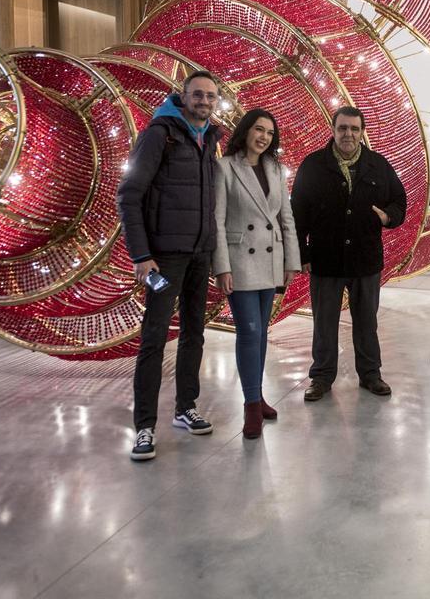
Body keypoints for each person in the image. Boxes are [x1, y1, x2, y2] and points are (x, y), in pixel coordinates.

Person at [117, 70, 222, 461]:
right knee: (154, 339)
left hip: (199, 255)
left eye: (211, 96)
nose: (204, 101)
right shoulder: (160, 133)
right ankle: (144, 427)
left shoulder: (209, 138)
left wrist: (211, 250)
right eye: (198, 95)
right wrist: (141, 255)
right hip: (164, 259)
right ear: (183, 96)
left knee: (195, 333)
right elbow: (129, 195)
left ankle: (185, 408)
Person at [291, 106, 407, 401]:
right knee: (324, 322)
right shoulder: (313, 165)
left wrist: (388, 217)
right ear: (333, 129)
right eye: (343, 128)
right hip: (325, 258)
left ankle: (370, 374)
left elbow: (399, 201)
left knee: (367, 320)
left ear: (361, 132)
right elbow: (298, 214)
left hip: (365, 260)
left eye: (354, 129)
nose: (348, 134)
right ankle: (321, 377)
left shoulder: (378, 165)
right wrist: (301, 253)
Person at [212, 109, 300, 439]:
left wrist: (291, 260)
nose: (263, 136)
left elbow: (286, 219)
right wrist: (221, 266)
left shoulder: (275, 169)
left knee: (262, 332)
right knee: (249, 332)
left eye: (269, 132)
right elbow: (217, 221)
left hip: (272, 260)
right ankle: (250, 405)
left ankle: (257, 395)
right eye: (258, 130)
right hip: (240, 261)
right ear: (246, 131)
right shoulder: (225, 167)